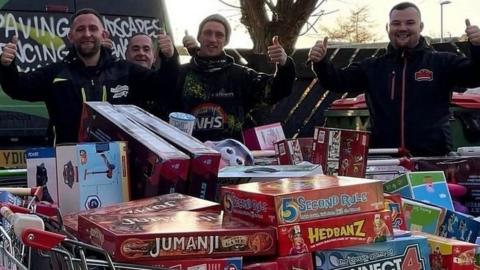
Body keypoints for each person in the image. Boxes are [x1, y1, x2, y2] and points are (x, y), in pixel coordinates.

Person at [309, 2, 480, 156]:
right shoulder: (372, 67)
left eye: (410, 23)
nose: (402, 28)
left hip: (433, 157)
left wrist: (478, 47)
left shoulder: (442, 62)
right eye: (396, 23)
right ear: (387, 27)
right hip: (383, 158)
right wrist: (321, 63)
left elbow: (475, 76)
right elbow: (336, 81)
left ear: (420, 26)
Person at [0, 8, 178, 144]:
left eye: (93, 28)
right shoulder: (55, 73)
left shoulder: (126, 71)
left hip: (117, 166)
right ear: (71, 36)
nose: (87, 34)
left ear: (104, 34)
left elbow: (164, 87)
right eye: (80, 29)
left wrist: (169, 58)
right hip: (68, 168)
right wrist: (7, 66)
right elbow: (18, 88)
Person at [177, 14, 296, 142]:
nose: (212, 39)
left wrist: (285, 64)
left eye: (219, 35)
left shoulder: (241, 76)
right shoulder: (181, 73)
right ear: (199, 37)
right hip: (187, 153)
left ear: (226, 41)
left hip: (231, 155)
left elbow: (277, 91)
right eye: (207, 33)